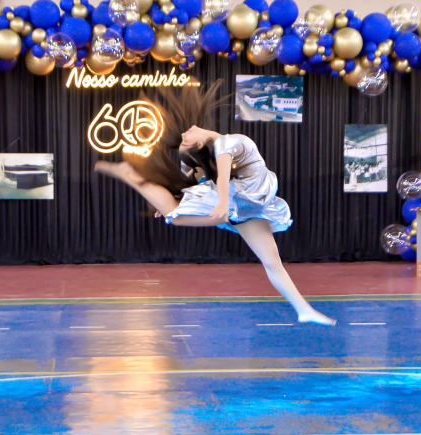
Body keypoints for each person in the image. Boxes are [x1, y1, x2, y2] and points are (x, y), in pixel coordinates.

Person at [94, 81, 336, 326]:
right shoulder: (219, 147)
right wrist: (199, 202)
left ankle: (303, 309)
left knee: (272, 262)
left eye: (185, 138)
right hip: (238, 200)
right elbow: (214, 178)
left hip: (250, 205)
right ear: (198, 145)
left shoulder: (228, 142)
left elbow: (217, 177)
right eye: (185, 140)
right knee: (175, 215)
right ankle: (130, 175)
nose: (185, 134)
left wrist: (206, 202)